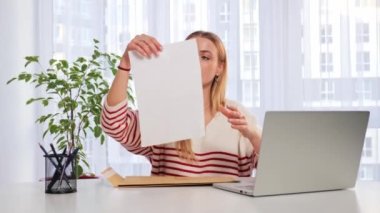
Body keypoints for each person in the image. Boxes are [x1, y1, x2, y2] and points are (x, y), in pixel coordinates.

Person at [101, 31, 262, 177]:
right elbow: (114, 125)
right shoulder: (162, 112)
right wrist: (125, 64)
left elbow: (275, 172)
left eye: (205, 57)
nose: (195, 63)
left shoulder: (238, 115)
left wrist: (254, 136)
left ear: (219, 67)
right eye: (189, 56)